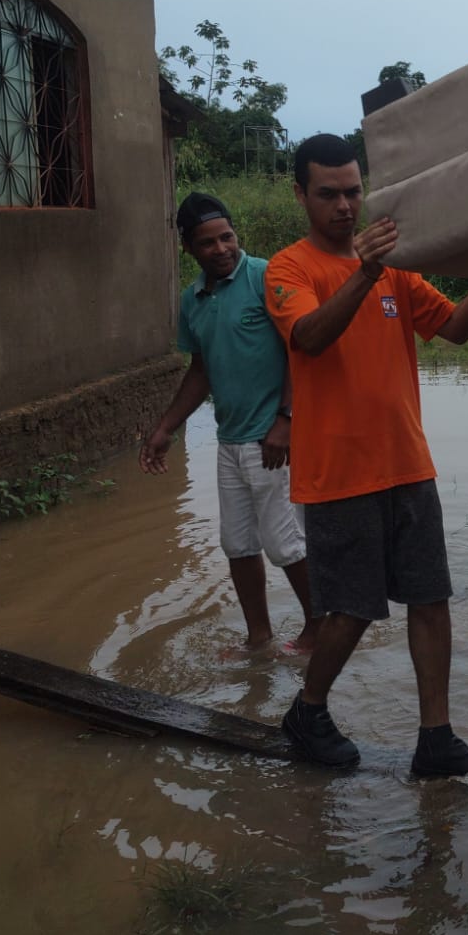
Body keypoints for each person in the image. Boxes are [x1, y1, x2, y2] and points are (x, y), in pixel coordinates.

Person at [264, 133, 468, 779]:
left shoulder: (398, 267)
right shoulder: (289, 269)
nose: (345, 206)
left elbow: (453, 328)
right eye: (329, 194)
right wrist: (365, 273)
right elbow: (310, 338)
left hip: (408, 462)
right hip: (340, 475)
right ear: (300, 195)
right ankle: (308, 711)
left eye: (352, 191)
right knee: (349, 611)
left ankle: (438, 740)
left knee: (431, 601)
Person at [141, 192, 319, 656]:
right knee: (237, 543)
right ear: (189, 249)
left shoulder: (267, 277)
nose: (221, 249)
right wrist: (165, 428)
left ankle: (321, 631)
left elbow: (300, 349)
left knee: (285, 544)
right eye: (208, 243)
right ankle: (259, 638)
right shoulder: (194, 299)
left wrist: (285, 420)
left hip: (273, 439)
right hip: (231, 440)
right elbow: (200, 371)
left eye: (227, 237)